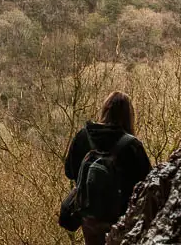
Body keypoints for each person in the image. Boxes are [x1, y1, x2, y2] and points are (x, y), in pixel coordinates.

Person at [64, 91, 151, 245]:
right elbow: (148, 185)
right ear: (129, 116)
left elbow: (69, 172)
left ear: (104, 110)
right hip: (120, 222)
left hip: (89, 220)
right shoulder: (132, 146)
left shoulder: (84, 135)